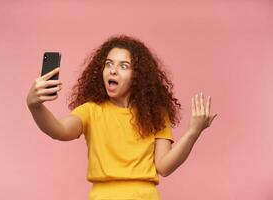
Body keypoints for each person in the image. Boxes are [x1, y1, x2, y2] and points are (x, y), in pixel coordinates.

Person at [26, 35, 217, 200]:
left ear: (138, 76)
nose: (113, 70)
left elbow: (164, 166)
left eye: (123, 66)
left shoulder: (155, 114)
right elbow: (59, 130)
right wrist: (35, 106)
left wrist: (193, 132)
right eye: (108, 64)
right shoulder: (91, 111)